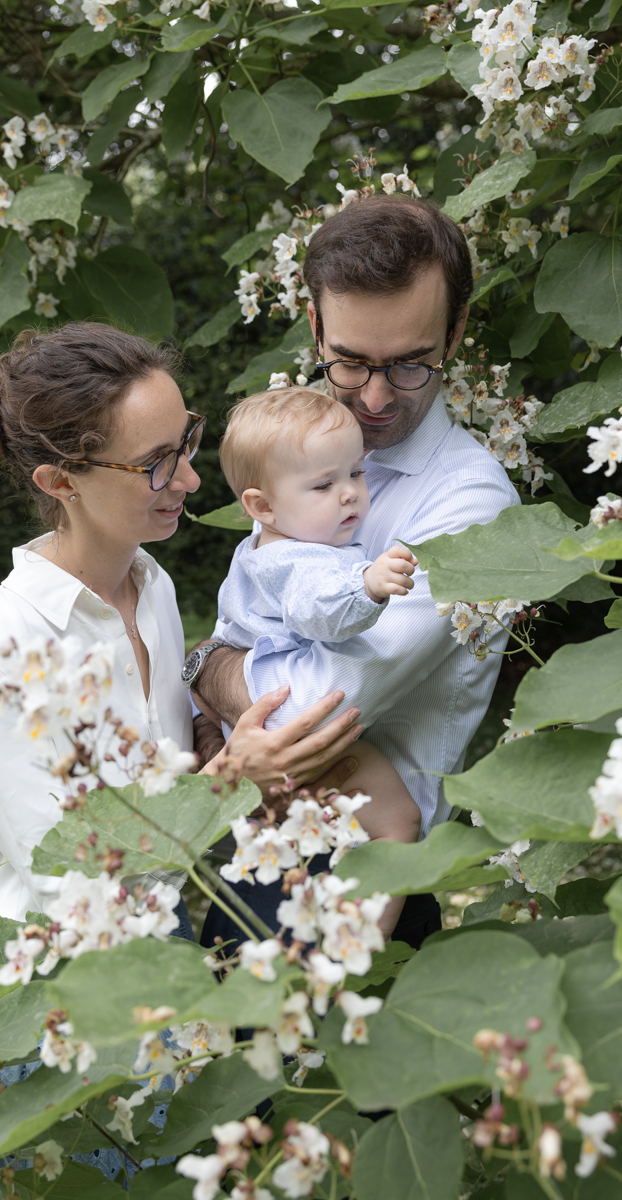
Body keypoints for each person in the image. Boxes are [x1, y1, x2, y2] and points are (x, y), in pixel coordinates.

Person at [0, 324, 365, 937]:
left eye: (185, 442)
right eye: (155, 464)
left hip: (165, 937)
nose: (190, 479)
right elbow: (73, 893)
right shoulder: (0, 661)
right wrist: (227, 785)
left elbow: (167, 791)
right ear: (61, 482)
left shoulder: (150, 585)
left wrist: (222, 752)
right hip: (50, 975)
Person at [187, 195, 520, 948]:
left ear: (455, 333)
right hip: (263, 846)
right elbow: (255, 608)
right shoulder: (300, 451)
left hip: (360, 866)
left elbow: (313, 709)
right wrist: (214, 671)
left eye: (409, 364)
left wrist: (208, 669)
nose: (373, 396)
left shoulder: (471, 507)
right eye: (349, 361)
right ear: (314, 327)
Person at [215, 385, 422, 939]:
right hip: (291, 712)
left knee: (314, 834)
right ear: (262, 506)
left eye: (356, 472)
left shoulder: (265, 546)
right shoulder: (297, 560)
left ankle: (325, 936)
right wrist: (368, 585)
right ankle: (358, 947)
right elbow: (318, 608)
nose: (350, 493)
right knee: (398, 820)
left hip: (264, 702)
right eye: (324, 484)